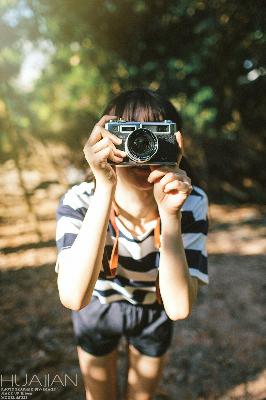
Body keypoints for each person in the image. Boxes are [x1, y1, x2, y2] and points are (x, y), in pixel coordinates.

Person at [55, 88, 209, 400]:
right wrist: (104, 188)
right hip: (97, 305)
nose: (143, 146)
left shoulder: (190, 203)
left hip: (154, 309)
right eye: (130, 134)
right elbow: (73, 296)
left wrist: (170, 215)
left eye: (154, 134)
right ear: (104, 140)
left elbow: (178, 308)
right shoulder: (80, 199)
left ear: (176, 143)